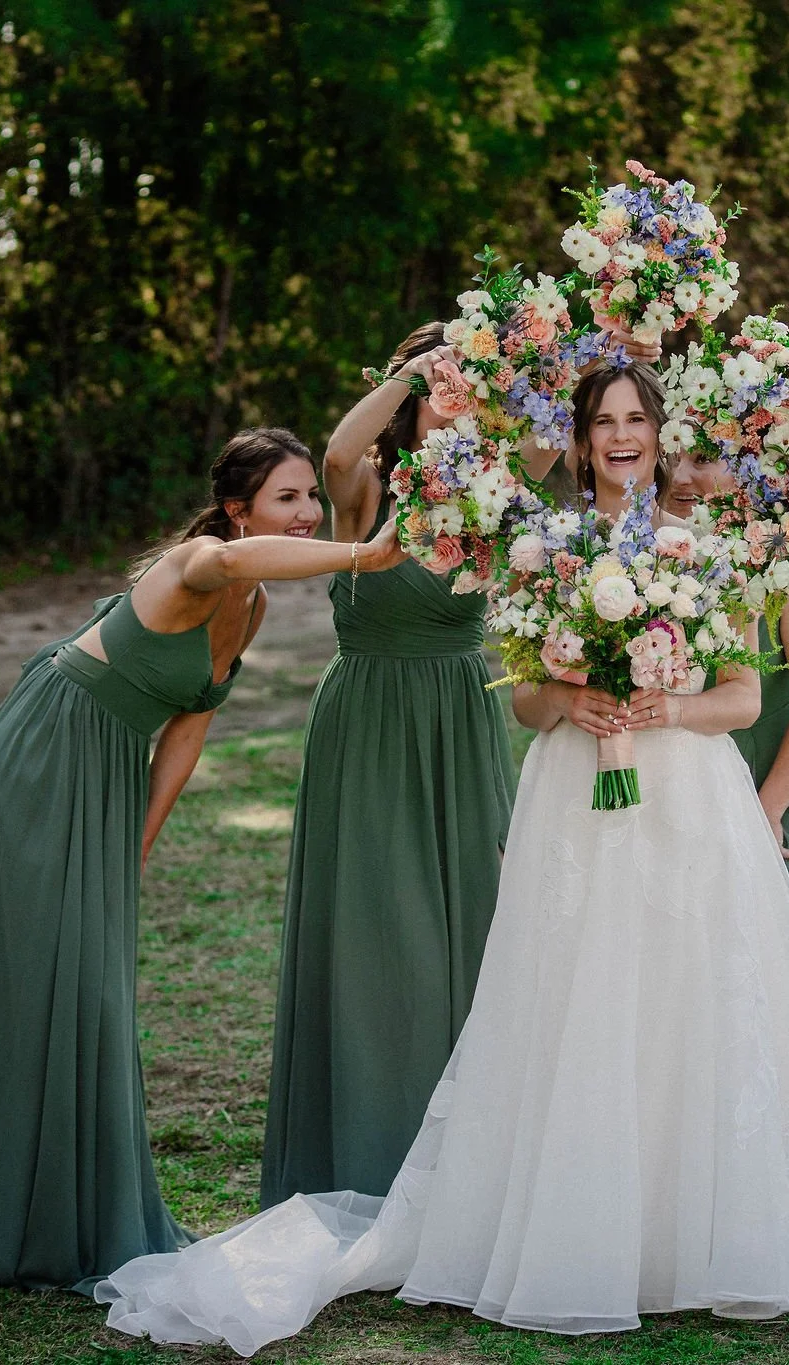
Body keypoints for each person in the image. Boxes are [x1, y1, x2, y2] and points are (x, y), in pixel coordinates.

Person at [94, 365, 789, 1352]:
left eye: (635, 422)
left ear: (658, 436)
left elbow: (743, 698)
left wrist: (666, 705)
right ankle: (578, 1219)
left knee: (688, 995)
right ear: (576, 443)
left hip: (687, 795)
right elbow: (524, 698)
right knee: (577, 995)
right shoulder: (540, 546)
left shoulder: (711, 544)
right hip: (573, 792)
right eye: (600, 423)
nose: (619, 438)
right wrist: (567, 701)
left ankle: (692, 1221)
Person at [0, 430, 402, 1291]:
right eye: (288, 499)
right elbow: (235, 565)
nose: (307, 510)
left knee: (89, 980)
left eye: (309, 497)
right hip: (44, 751)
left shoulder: (247, 608)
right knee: (46, 979)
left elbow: (190, 723)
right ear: (240, 509)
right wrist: (363, 552)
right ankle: (17, 1212)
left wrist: (134, 841)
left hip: (107, 771)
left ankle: (55, 1196)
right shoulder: (198, 563)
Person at [261, 323, 523, 1208]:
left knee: (471, 926)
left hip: (460, 721)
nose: (461, 400)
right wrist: (421, 363)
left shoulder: (494, 489)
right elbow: (336, 449)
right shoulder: (366, 484)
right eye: (446, 385)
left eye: (473, 385)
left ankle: (467, 1164)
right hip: (370, 722)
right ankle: (369, 1154)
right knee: (378, 930)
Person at [664, 446, 789, 973]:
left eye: (701, 459)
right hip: (679, 780)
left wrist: (766, 811)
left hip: (771, 779)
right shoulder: (645, 547)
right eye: (669, 457)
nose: (680, 476)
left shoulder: (782, 555)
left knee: (769, 973)